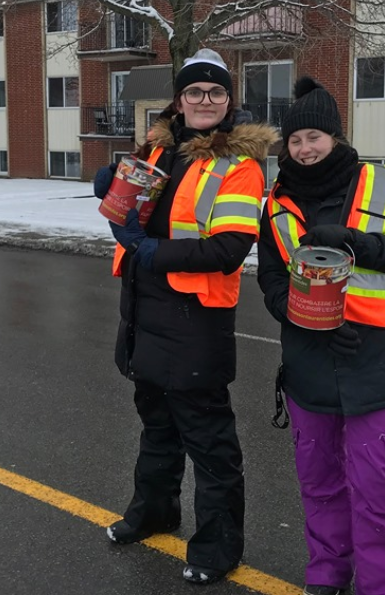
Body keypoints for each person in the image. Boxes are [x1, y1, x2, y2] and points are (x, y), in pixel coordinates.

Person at [94, 49, 278, 585]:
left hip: (194, 317)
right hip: (143, 309)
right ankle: (153, 511)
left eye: (215, 93)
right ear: (179, 100)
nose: (204, 101)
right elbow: (133, 204)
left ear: (228, 101)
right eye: (194, 92)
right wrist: (111, 185)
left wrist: (152, 252)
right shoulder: (156, 147)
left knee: (209, 440)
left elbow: (227, 249)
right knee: (156, 426)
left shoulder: (240, 166)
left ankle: (218, 546)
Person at [257, 77, 385, 595]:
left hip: (372, 365)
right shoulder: (277, 204)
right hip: (309, 365)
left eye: (314, 137)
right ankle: (326, 578)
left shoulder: (379, 185)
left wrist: (352, 241)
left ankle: (383, 588)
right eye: (295, 140)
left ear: (334, 136)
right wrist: (305, 317)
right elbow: (271, 278)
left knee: (377, 493)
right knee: (321, 486)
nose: (305, 149)